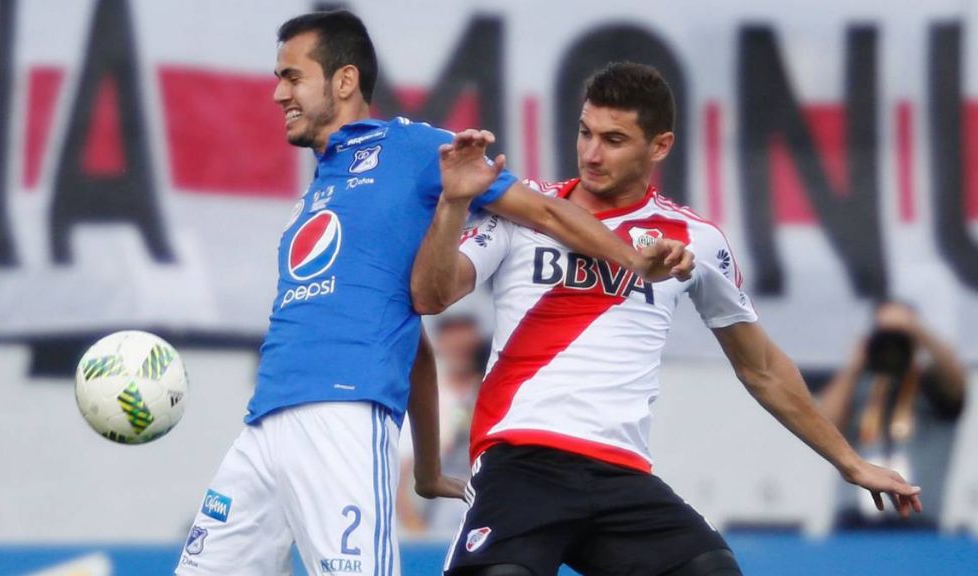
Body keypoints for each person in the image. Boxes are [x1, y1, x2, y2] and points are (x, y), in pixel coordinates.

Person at [175, 11, 690, 576]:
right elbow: (410, 336)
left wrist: (633, 259)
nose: (278, 93)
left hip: (342, 417)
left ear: (344, 81)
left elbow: (545, 212)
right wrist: (425, 469)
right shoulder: (319, 187)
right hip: (263, 423)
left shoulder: (416, 147)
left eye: (292, 77)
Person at [410, 62, 924, 576]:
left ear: (660, 146)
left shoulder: (695, 239)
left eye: (614, 140)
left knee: (713, 571)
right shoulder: (523, 210)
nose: (591, 154)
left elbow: (762, 367)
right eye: (586, 133)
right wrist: (454, 203)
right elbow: (433, 296)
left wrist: (850, 462)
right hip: (519, 460)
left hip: (619, 472)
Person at [818, 301, 967, 530]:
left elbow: (956, 383)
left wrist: (917, 331)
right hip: (853, 520)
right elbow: (822, 424)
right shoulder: (857, 387)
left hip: (917, 520)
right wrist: (857, 360)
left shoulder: (932, 386)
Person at [398, 315, 488, 537]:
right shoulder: (419, 397)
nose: (459, 341)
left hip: (485, 511)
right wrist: (419, 535)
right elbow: (401, 476)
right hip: (433, 520)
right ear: (438, 340)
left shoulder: (492, 392)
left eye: (465, 330)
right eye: (451, 332)